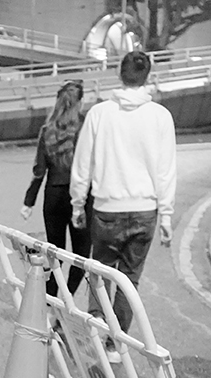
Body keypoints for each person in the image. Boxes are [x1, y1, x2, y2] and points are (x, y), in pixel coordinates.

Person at [69, 50, 177, 342]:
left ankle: (97, 322)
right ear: (148, 76)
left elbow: (83, 164)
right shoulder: (160, 117)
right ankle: (116, 343)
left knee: (100, 271)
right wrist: (166, 214)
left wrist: (78, 203)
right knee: (129, 280)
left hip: (107, 208)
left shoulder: (99, 113)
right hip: (145, 210)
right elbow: (166, 170)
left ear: (120, 73)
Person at [20, 80, 92, 295]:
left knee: (54, 252)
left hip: (52, 196)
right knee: (81, 255)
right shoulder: (84, 128)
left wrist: (28, 202)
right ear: (80, 102)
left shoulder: (47, 130)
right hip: (79, 197)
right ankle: (68, 297)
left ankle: (51, 299)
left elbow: (39, 171)